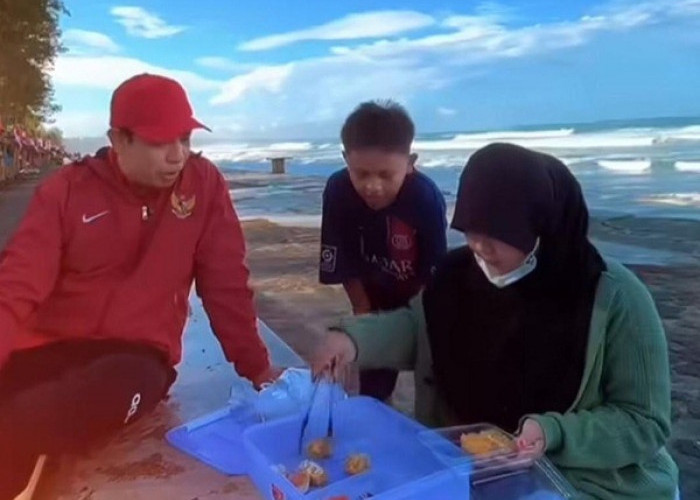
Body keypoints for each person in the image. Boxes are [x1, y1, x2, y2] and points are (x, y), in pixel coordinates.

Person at [314, 143, 678, 499]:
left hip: (583, 482)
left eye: (498, 235)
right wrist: (352, 341)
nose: (480, 247)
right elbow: (420, 329)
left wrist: (552, 433)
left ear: (541, 228)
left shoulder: (613, 297)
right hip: (472, 469)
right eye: (472, 230)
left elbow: (644, 422)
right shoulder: (457, 277)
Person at [0, 73, 280, 498]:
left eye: (184, 138)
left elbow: (226, 285)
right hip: (47, 346)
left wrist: (257, 368)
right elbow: (17, 283)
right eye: (160, 141)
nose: (177, 155)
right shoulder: (66, 191)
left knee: (34, 416)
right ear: (118, 139)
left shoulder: (202, 186)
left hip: (137, 358)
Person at [319, 100, 447, 401]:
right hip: (371, 294)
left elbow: (435, 276)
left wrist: (419, 321)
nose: (372, 186)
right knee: (374, 387)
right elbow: (344, 261)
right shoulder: (338, 191)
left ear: (410, 162)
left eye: (385, 175)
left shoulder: (425, 198)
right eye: (361, 174)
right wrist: (363, 316)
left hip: (419, 294)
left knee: (435, 374)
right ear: (345, 159)